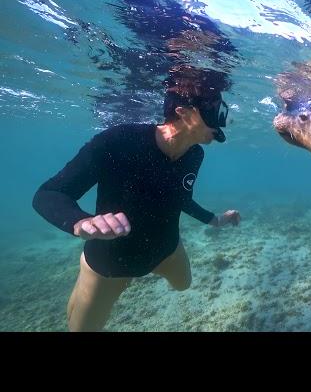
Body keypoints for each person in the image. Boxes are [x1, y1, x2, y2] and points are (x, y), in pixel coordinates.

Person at [32, 79, 240, 331]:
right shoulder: (118, 141)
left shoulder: (195, 154)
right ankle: (86, 273)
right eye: (213, 111)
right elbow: (49, 193)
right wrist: (80, 222)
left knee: (184, 283)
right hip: (111, 263)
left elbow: (180, 196)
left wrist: (215, 219)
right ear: (183, 113)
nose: (219, 120)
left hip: (167, 249)